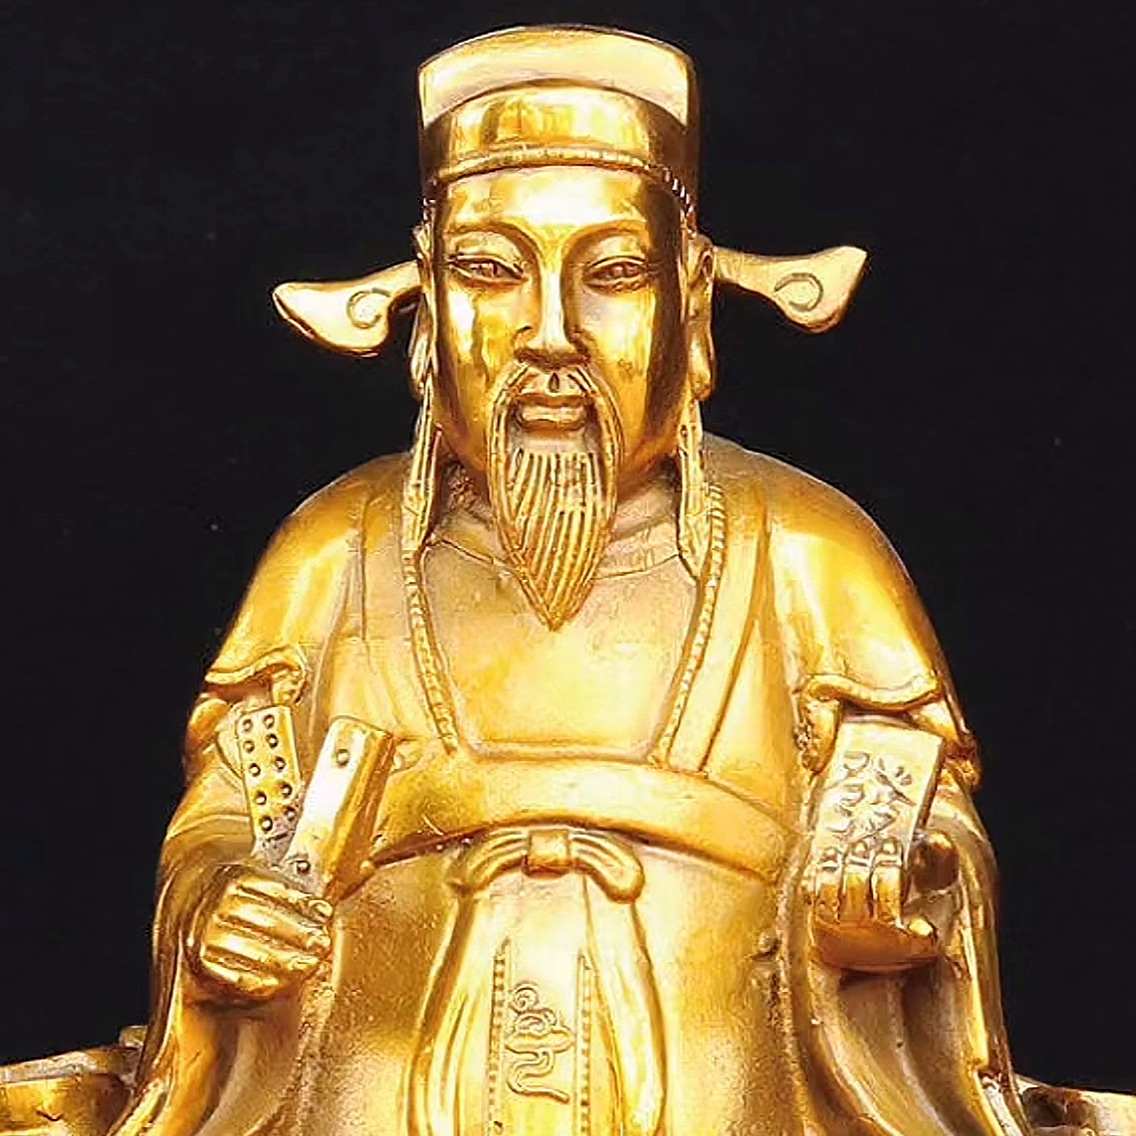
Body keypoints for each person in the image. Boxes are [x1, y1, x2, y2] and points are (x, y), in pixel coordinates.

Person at [3, 24, 1132, 1136]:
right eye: (489, 271)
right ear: (426, 303)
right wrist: (219, 908)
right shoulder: (333, 550)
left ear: (691, 298)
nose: (550, 335)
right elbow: (229, 816)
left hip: (731, 1090)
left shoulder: (807, 551)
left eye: (614, 274)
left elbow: (933, 827)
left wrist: (890, 889)